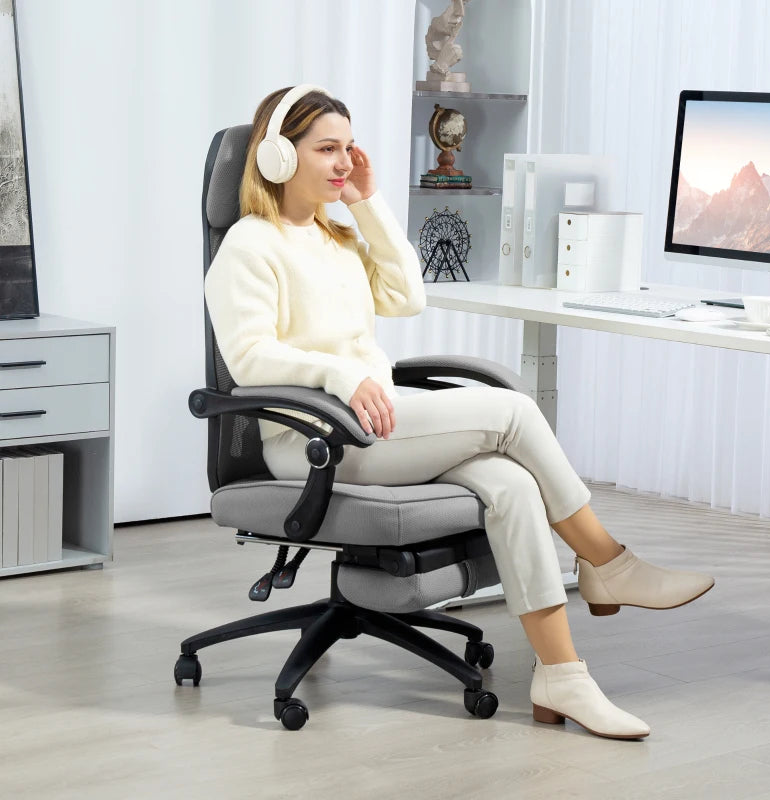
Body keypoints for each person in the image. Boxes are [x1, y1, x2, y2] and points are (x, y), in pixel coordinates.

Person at [204, 85, 715, 740]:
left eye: (348, 148)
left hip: (377, 424)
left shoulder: (335, 237)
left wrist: (367, 203)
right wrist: (340, 374)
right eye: (326, 149)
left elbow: (407, 297)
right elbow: (250, 359)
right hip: (313, 439)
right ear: (277, 155)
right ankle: (607, 562)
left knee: (511, 484)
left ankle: (562, 676)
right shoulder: (248, 246)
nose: (343, 162)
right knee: (513, 412)